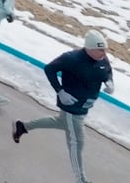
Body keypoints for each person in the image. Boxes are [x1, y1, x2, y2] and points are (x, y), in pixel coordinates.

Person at [13, 31, 115, 183]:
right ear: (89, 48)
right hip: (71, 107)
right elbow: (49, 69)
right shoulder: (71, 59)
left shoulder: (102, 58)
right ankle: (80, 180)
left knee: (60, 122)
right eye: (100, 50)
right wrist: (60, 91)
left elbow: (107, 70)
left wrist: (109, 82)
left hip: (83, 107)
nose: (104, 53)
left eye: (104, 50)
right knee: (77, 143)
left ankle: (22, 126)